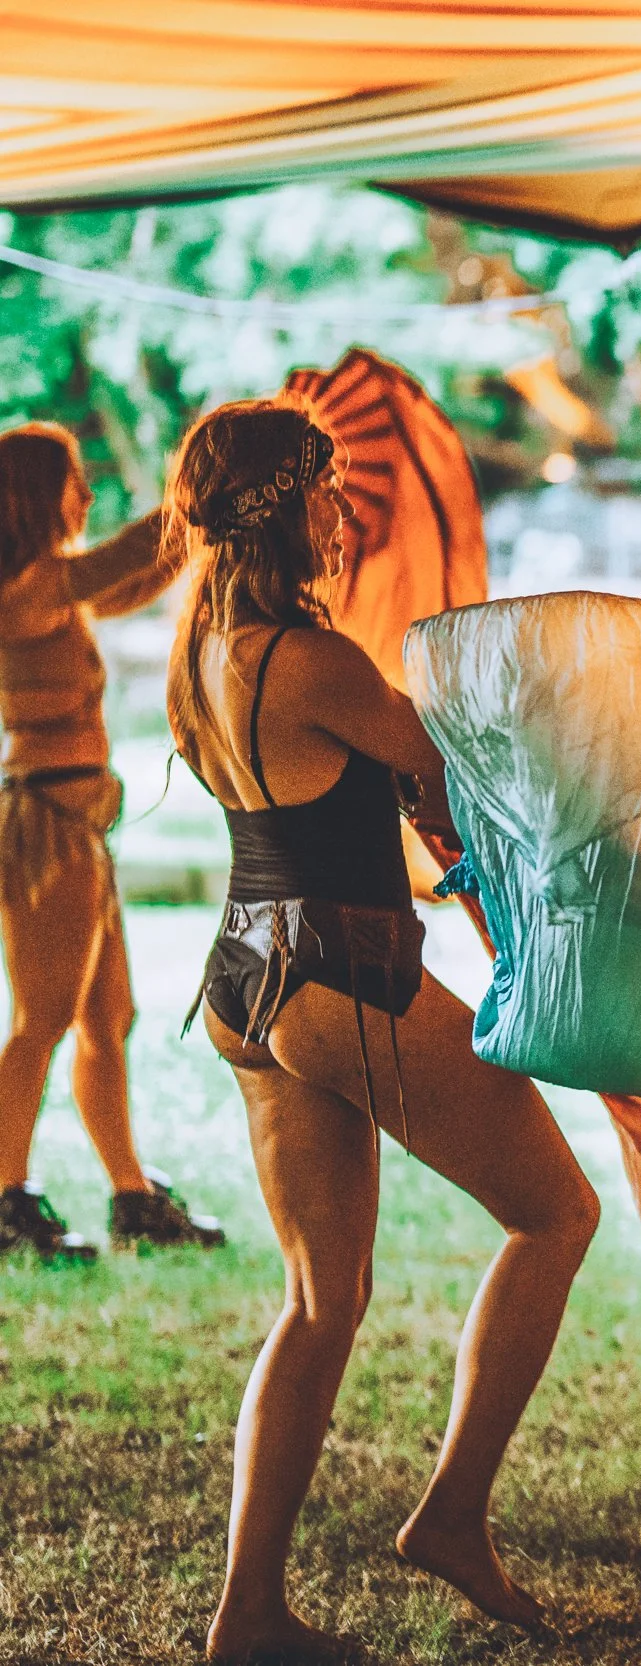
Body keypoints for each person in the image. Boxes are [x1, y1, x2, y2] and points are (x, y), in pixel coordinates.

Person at [165, 402, 599, 1661]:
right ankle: (453, 1514)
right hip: (340, 968)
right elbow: (457, 773)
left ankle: (247, 1613)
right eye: (333, 487)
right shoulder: (315, 659)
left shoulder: (210, 647)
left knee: (322, 1298)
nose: (348, 512)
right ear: (287, 505)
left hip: (251, 972)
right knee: (555, 1215)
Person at [0, 422, 224, 1261]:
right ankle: (5, 1198)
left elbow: (139, 572)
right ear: (31, 492)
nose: (87, 495)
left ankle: (132, 1197)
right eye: (74, 481)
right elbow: (123, 555)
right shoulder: (24, 583)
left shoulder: (50, 586)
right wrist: (205, 483)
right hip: (46, 827)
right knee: (42, 1020)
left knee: (107, 1017)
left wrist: (197, 531)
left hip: (80, 826)